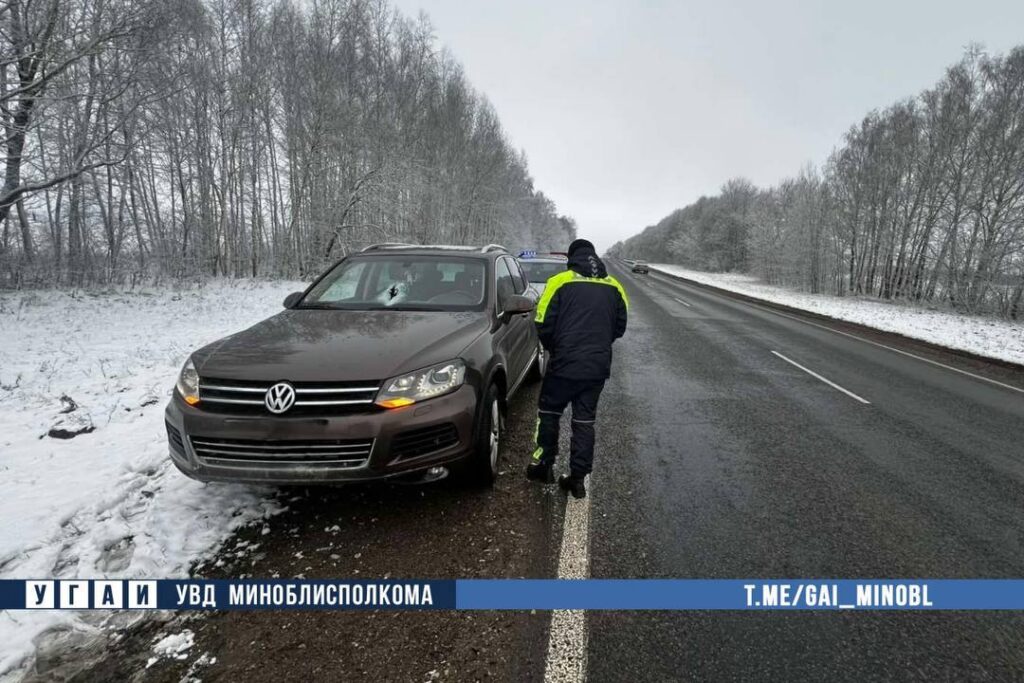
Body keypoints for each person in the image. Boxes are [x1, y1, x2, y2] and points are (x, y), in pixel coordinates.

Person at [525, 239, 628, 498]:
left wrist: (555, 348)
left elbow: (542, 321)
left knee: (548, 413)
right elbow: (620, 327)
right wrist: (598, 345)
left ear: (572, 257)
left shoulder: (560, 281)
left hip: (563, 365)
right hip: (596, 367)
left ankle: (543, 465)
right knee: (584, 422)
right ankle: (578, 479)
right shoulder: (614, 286)